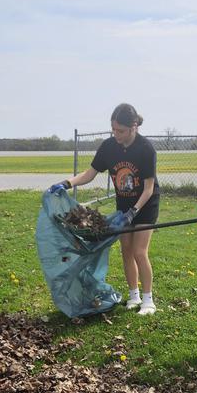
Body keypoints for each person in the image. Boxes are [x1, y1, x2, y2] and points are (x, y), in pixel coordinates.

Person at [51, 103, 159, 315]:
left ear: (134, 126)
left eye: (121, 131)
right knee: (126, 251)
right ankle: (134, 296)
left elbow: (149, 188)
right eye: (114, 130)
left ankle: (148, 300)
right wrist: (67, 183)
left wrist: (133, 213)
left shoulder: (146, 149)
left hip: (145, 206)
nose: (116, 135)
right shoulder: (109, 147)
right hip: (124, 205)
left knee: (139, 251)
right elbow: (90, 173)